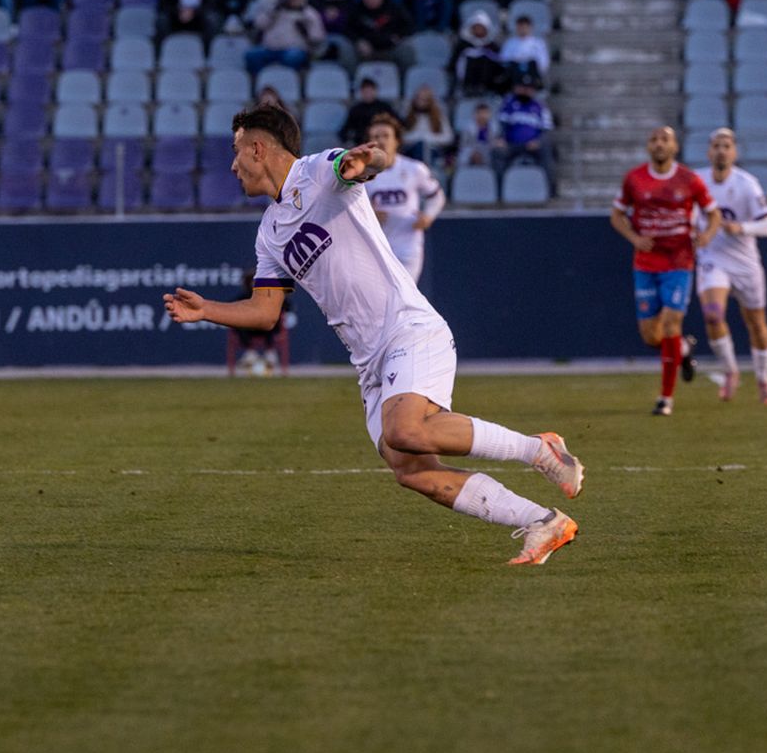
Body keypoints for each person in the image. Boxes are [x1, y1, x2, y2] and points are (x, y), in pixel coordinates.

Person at [162, 102, 585, 567]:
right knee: (410, 468)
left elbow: (365, 162)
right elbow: (265, 313)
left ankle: (537, 449)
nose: (232, 163)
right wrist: (208, 311)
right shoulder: (269, 234)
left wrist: (367, 161)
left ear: (259, 148)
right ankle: (543, 521)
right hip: (369, 363)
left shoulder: (319, 171)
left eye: (237, 150)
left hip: (408, 328)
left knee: (405, 429)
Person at [611, 126, 721, 416]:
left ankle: (665, 399)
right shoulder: (634, 179)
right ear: (648, 146)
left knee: (672, 323)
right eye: (654, 139)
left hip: (679, 262)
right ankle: (683, 349)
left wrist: (707, 234)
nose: (659, 144)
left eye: (665, 140)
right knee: (651, 335)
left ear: (675, 147)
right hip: (646, 263)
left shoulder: (689, 179)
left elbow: (714, 213)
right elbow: (617, 215)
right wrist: (635, 238)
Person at [693, 129, 767, 404]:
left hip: (744, 261)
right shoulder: (698, 181)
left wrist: (740, 227)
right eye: (716, 145)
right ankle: (730, 371)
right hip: (712, 258)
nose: (721, 151)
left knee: (757, 323)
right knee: (713, 315)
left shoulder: (747, 184)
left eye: (726, 146)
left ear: (734, 152)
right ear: (709, 151)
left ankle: (763, 376)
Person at [365, 112, 444, 283]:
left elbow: (436, 197)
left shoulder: (414, 169)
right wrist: (369, 214)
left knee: (403, 296)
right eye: (376, 136)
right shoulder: (363, 175)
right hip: (376, 247)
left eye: (386, 136)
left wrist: (428, 216)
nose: (381, 141)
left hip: (408, 246)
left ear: (397, 140)